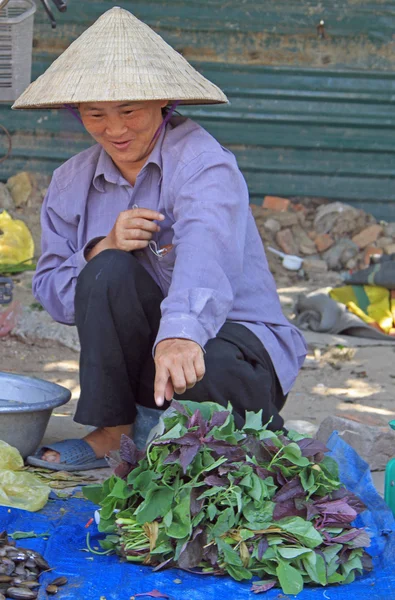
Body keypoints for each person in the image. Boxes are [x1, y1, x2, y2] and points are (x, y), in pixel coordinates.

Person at [13, 7, 307, 471]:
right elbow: (55, 295)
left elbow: (205, 252)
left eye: (129, 110)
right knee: (107, 267)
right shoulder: (71, 182)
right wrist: (102, 247)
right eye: (95, 114)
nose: (115, 129)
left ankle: (181, 437)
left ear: (162, 102)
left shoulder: (203, 164)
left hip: (229, 347)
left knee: (210, 373)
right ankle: (115, 432)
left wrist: (180, 335)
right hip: (148, 362)